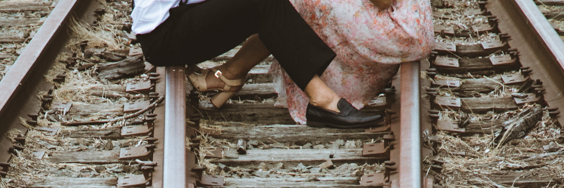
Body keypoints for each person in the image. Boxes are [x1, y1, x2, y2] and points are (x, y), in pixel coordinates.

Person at [132, 0, 384, 128]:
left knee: (272, 8)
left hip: (179, 17)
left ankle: (229, 75)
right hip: (162, 36)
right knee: (266, 3)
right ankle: (323, 101)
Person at [270, 0, 434, 125]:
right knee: (284, 5)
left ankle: (243, 68)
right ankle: (242, 67)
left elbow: (383, 1)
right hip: (406, 21)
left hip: (401, 25)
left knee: (295, 4)